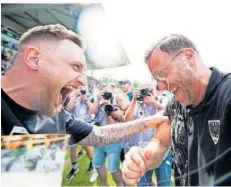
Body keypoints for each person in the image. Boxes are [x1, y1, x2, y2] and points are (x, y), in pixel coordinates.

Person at [1, 24, 169, 153]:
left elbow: (99, 136)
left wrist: (149, 121)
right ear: (34, 59)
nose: (83, 83)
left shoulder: (57, 116)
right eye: (75, 67)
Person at [122, 34, 231, 186]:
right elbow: (160, 142)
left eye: (161, 75)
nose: (160, 87)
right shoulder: (175, 103)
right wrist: (143, 157)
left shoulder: (227, 95)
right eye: (156, 80)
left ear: (189, 57)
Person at [124, 85, 172, 186]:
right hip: (142, 154)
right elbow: (127, 121)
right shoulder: (137, 104)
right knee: (143, 184)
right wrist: (134, 100)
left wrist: (155, 103)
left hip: (162, 153)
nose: (146, 94)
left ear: (153, 91)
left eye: (148, 90)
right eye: (143, 91)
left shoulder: (162, 100)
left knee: (164, 184)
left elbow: (172, 114)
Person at [89, 84, 124, 186]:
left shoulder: (116, 105)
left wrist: (108, 108)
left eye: (108, 93)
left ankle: (120, 184)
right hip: (99, 140)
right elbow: (90, 112)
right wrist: (97, 100)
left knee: (113, 169)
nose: (106, 95)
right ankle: (104, 185)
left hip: (113, 141)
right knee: (98, 164)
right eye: (104, 93)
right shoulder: (98, 104)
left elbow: (116, 125)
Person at [64, 89, 98, 183]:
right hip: (72, 126)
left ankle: (93, 164)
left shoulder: (88, 98)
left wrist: (86, 99)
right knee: (72, 148)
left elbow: (92, 112)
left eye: (83, 90)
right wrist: (75, 96)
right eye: (80, 89)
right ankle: (75, 168)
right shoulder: (72, 97)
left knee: (87, 146)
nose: (81, 91)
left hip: (84, 126)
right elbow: (68, 108)